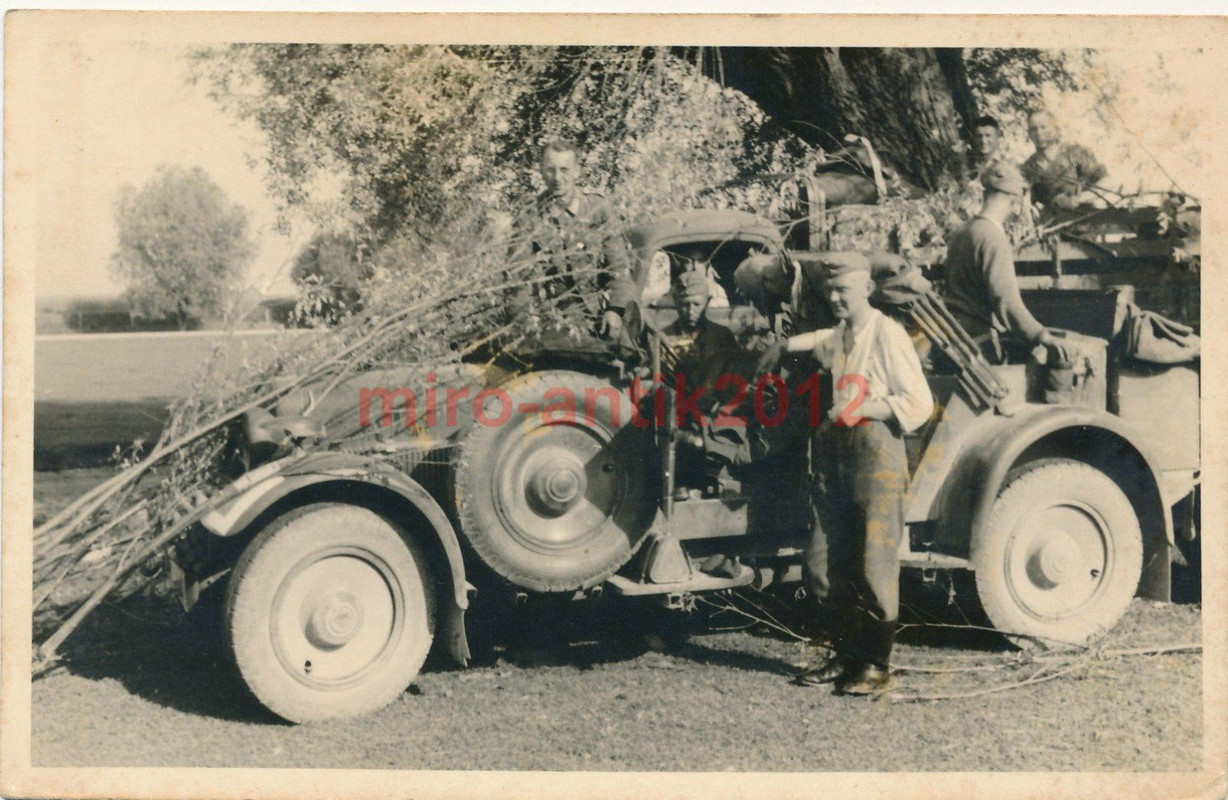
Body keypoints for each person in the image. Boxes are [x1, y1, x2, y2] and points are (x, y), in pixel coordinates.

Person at [766, 252, 933, 695]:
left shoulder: (888, 333)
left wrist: (864, 408)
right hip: (836, 450)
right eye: (830, 291)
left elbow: (920, 403)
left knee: (874, 563)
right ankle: (845, 655)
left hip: (875, 451)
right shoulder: (841, 333)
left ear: (868, 290)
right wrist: (782, 346)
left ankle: (875, 665)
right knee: (824, 564)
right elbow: (822, 337)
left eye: (844, 290)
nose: (836, 297)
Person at [513, 138, 637, 339]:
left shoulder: (598, 209)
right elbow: (517, 279)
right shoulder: (530, 217)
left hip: (601, 314)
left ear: (577, 171)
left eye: (564, 170)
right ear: (541, 171)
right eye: (550, 170)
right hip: (554, 321)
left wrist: (615, 309)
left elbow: (618, 266)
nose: (557, 178)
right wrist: (524, 325)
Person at [944, 162, 1066, 363]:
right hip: (976, 344)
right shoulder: (993, 237)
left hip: (952, 335)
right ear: (1015, 200)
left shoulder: (963, 231)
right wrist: (1041, 335)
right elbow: (1006, 301)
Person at [1020, 110, 1110, 213]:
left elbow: (1107, 182)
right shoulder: (1028, 168)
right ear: (1029, 133)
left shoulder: (1075, 154)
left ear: (1055, 129)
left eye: (1043, 127)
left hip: (1086, 216)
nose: (1038, 133)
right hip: (1051, 221)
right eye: (1033, 129)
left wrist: (1077, 200)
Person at [967, 114, 1007, 180]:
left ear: (997, 137)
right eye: (979, 136)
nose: (983, 140)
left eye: (988, 136)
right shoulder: (968, 161)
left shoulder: (1005, 165)